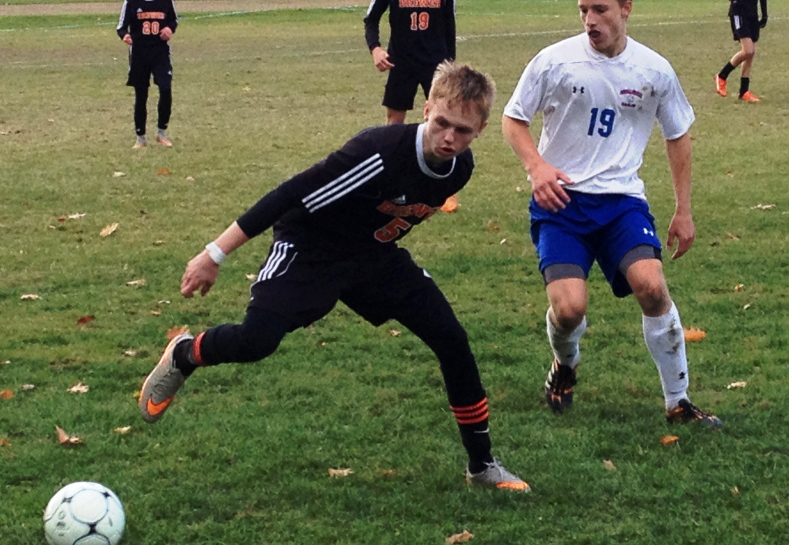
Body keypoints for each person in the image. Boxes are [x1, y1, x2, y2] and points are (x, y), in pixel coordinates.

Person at [138, 62, 530, 492]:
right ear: (426, 109)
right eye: (442, 123)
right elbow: (290, 195)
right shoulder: (376, 154)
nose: (450, 138)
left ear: (482, 128)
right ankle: (185, 353)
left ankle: (482, 465)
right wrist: (214, 253)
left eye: (463, 130)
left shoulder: (461, 168)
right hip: (312, 248)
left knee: (452, 339)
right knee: (257, 341)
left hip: (374, 258)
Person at [501, 0, 722, 429]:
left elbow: (678, 135)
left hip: (622, 202)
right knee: (569, 309)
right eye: (583, 10)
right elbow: (513, 118)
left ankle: (678, 402)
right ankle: (566, 364)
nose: (590, 20)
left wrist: (683, 210)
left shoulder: (653, 69)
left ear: (626, 8)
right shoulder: (555, 60)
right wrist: (537, 167)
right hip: (561, 203)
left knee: (652, 286)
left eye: (600, 9)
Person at [364, 0, 457, 125]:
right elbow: (371, 19)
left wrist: (451, 62)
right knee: (394, 120)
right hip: (401, 60)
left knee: (441, 117)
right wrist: (376, 49)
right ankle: (395, 156)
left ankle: (435, 156)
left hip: (436, 62)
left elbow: (450, 22)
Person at [116, 0, 177, 149]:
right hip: (140, 54)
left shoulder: (166, 0)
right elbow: (120, 27)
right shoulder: (132, 3)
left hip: (160, 53)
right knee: (141, 95)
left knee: (165, 89)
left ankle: (161, 132)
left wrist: (169, 29)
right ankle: (141, 138)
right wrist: (125, 35)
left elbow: (173, 20)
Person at [714, 0, 769, 103]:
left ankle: (744, 91)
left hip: (753, 13)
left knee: (751, 55)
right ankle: (722, 76)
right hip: (738, 12)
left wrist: (765, 13)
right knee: (748, 50)